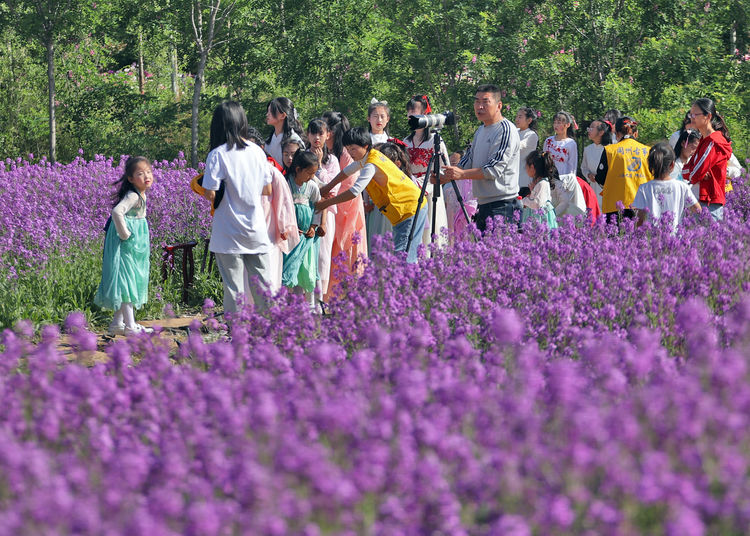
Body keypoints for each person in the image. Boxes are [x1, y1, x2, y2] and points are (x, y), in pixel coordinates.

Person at [315, 127, 427, 263]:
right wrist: (327, 188)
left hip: (410, 208)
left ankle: (409, 283)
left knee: (404, 255)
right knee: (404, 253)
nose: (350, 153)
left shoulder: (371, 164)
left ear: (365, 146)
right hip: (404, 210)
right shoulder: (368, 157)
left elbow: (355, 191)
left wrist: (326, 202)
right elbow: (347, 171)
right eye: (348, 149)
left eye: (353, 149)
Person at [203, 101, 273, 314]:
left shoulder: (218, 154)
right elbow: (267, 190)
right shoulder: (257, 152)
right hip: (255, 228)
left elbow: (210, 192)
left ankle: (237, 335)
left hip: (228, 230)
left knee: (234, 287)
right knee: (263, 285)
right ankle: (272, 330)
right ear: (242, 122)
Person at [438, 84, 521, 232]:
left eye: (485, 102)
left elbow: (493, 169)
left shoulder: (506, 129)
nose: (480, 106)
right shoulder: (480, 130)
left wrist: (461, 175)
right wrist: (444, 177)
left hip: (503, 205)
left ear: (499, 105)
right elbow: (467, 161)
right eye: (477, 101)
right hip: (482, 205)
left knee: (502, 254)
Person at [95, 156, 154, 336]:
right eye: (140, 174)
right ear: (130, 179)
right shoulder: (133, 195)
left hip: (134, 243)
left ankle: (117, 324)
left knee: (131, 278)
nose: (146, 176)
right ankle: (130, 326)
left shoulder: (140, 193)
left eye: (149, 172)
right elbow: (117, 212)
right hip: (125, 243)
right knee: (127, 281)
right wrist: (125, 233)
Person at [321, 111, 367, 299]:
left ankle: (345, 296)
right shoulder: (326, 153)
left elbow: (350, 186)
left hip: (347, 210)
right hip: (332, 207)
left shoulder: (346, 155)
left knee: (347, 249)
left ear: (330, 132)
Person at [403, 94, 449, 245]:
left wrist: (431, 182)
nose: (411, 115)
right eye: (409, 111)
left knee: (431, 229)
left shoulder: (435, 140)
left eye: (414, 111)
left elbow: (445, 168)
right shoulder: (406, 141)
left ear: (425, 114)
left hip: (430, 187)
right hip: (411, 188)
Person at [282, 150, 325, 307]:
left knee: (307, 269)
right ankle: (286, 305)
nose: (311, 176)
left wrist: (314, 226)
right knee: (289, 268)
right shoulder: (286, 183)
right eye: (309, 173)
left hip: (307, 236)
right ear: (298, 169)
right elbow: (282, 208)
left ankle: (310, 306)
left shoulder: (312, 186)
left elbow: (318, 207)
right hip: (291, 236)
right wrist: (291, 226)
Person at [681, 98, 732, 222]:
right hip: (701, 200)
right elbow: (686, 170)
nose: (691, 117)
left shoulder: (713, 142)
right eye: (690, 114)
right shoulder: (704, 141)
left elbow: (694, 174)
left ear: (708, 116)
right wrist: (691, 172)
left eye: (695, 114)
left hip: (709, 202)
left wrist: (692, 172)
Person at [307, 118, 340, 308]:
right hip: (306, 211)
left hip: (327, 211)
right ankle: (306, 298)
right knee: (307, 254)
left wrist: (319, 165)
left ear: (328, 135)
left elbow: (331, 189)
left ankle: (321, 299)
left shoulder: (332, 160)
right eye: (313, 133)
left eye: (321, 133)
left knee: (323, 256)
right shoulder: (302, 156)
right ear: (308, 135)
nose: (317, 137)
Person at [595, 116, 653, 222]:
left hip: (614, 207)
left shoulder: (609, 150)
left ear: (616, 134)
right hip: (643, 205)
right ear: (636, 133)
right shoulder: (648, 151)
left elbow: (600, 178)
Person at [633, 142, 700, 231]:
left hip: (652, 240)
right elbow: (698, 210)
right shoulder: (682, 186)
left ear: (651, 165)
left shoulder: (644, 188)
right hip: (677, 240)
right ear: (672, 165)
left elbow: (639, 219)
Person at [364, 100, 393, 244]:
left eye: (382, 116)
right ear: (369, 118)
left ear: (387, 119)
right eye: (375, 116)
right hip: (367, 189)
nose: (379, 120)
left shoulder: (392, 142)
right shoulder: (364, 141)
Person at [521, 151, 558, 230]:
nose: (526, 169)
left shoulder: (542, 183)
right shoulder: (540, 183)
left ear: (532, 167)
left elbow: (537, 204)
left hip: (540, 219)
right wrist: (533, 192)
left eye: (526, 166)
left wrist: (524, 201)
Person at [581, 119, 612, 209]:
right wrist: (588, 175)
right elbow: (583, 167)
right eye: (589, 128)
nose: (589, 130)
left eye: (592, 128)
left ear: (601, 132)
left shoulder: (611, 149)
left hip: (607, 188)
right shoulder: (588, 149)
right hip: (593, 186)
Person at [265, 97, 305, 165]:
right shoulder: (269, 140)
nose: (267, 114)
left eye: (271, 111)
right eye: (268, 111)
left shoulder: (294, 140)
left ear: (283, 115)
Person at [543, 111, 578, 176]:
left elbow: (572, 165)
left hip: (563, 179)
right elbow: (543, 160)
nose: (556, 125)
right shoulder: (548, 141)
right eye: (555, 123)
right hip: (548, 177)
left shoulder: (571, 143)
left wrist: (570, 180)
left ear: (567, 125)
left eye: (559, 123)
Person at [670, 128, 702, 198]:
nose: (694, 151)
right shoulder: (672, 164)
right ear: (683, 143)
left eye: (697, 149)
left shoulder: (695, 163)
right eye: (693, 147)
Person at [515, 106, 540, 195]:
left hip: (524, 177)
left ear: (529, 120)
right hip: (513, 175)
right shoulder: (515, 131)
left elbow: (518, 146)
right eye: (517, 116)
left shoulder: (531, 135)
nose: (517, 119)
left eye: (520, 117)